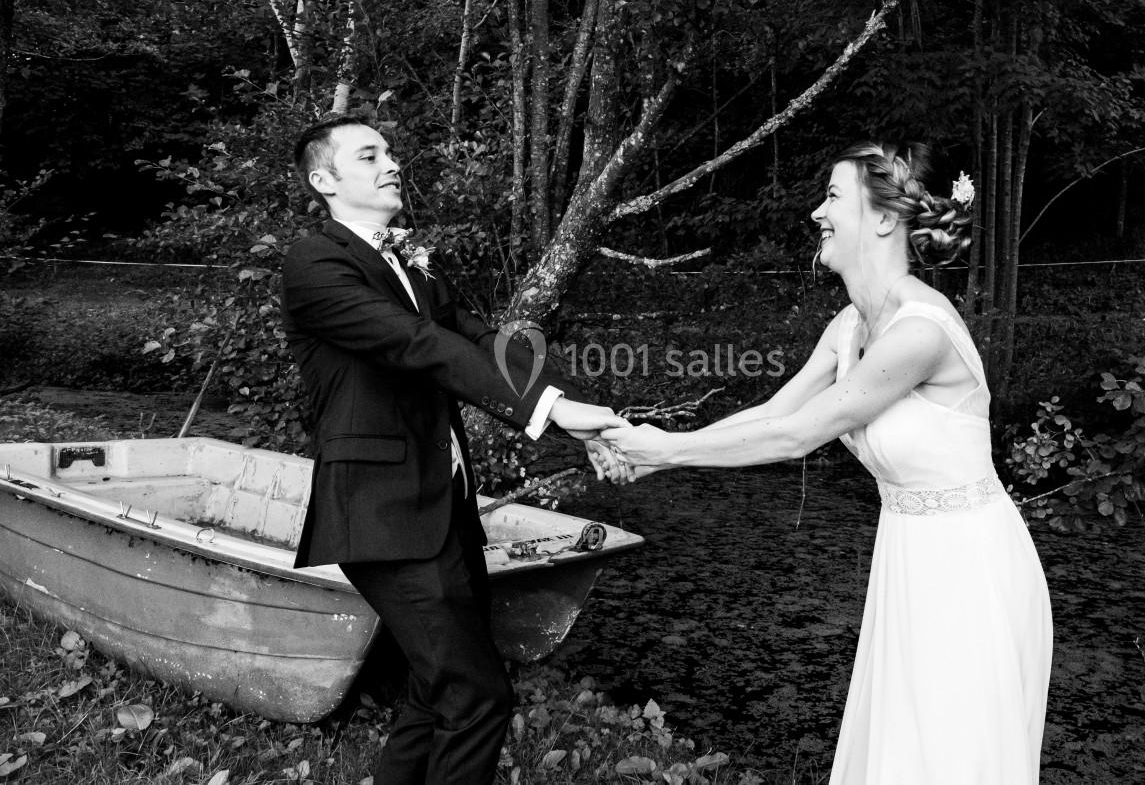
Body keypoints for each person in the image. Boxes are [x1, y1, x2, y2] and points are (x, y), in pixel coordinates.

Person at [601, 142, 1053, 785]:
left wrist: (666, 449)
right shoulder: (850, 325)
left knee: (953, 756)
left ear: (885, 219)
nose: (817, 211)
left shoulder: (920, 331)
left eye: (834, 197)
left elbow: (797, 436)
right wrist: (656, 456)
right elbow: (774, 412)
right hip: (908, 558)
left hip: (970, 568)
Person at [280, 114, 626, 785]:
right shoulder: (314, 262)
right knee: (476, 699)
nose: (392, 162)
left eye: (390, 150)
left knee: (432, 688)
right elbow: (420, 345)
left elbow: (483, 343)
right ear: (325, 180)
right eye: (369, 154)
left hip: (445, 509)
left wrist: (577, 415)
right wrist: (556, 412)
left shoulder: (413, 262)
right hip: (384, 515)